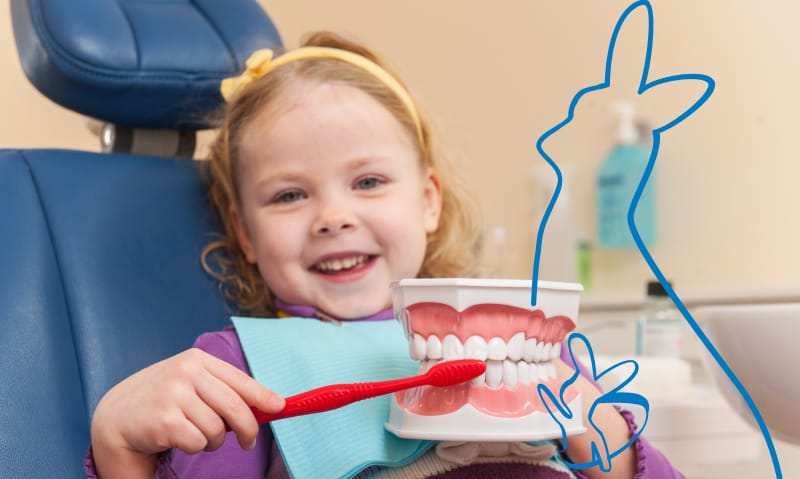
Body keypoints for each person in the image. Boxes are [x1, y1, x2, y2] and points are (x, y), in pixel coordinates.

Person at [86, 31, 682, 479]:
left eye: (368, 182)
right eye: (290, 195)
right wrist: (118, 441)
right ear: (245, 233)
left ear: (427, 202)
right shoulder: (238, 372)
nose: (334, 216)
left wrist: (602, 432)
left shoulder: (525, 345)